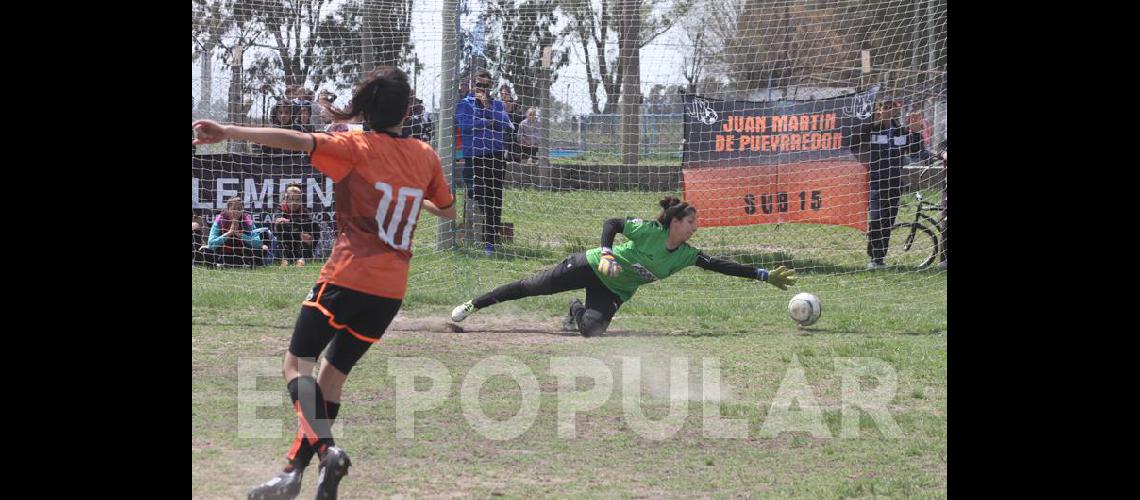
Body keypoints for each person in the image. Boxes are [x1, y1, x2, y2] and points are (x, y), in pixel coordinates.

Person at [193, 65, 457, 500]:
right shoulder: (426, 156)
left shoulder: (353, 145)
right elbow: (447, 210)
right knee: (332, 379)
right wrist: (415, 200)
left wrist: (227, 130)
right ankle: (292, 473)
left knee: (296, 364)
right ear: (407, 111)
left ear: (366, 107)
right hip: (390, 293)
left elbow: (294, 140)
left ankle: (329, 451)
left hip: (347, 277)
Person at [450, 196, 797, 337]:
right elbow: (612, 221)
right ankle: (472, 305)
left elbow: (721, 265)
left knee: (592, 331)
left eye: (695, 223)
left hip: (614, 288)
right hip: (591, 266)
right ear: (675, 221)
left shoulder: (686, 255)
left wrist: (762, 274)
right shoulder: (650, 231)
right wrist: (606, 252)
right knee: (531, 286)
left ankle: (576, 311)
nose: (695, 227)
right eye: (691, 221)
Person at [849, 100, 932, 269]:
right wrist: (873, 123)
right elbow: (854, 143)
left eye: (893, 107)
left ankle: (879, 259)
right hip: (875, 181)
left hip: (894, 182)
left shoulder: (900, 130)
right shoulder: (871, 129)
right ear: (878, 111)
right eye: (885, 107)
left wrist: (915, 131)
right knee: (877, 218)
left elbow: (915, 149)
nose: (890, 110)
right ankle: (874, 256)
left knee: (888, 220)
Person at [456, 69, 514, 255]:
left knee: (495, 200)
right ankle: (482, 232)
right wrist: (487, 123)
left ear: (490, 87)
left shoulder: (496, 105)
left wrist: (487, 109)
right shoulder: (465, 104)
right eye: (478, 85)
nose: (481, 89)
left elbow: (505, 125)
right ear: (473, 85)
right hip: (475, 157)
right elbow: (464, 125)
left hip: (495, 156)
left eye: (485, 86)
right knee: (477, 192)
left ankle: (491, 241)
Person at [273, 183, 319, 267]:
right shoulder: (280, 209)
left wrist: (289, 221)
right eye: (291, 199)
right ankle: (284, 259)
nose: (294, 202)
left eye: (297, 200)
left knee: (313, 229)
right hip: (287, 243)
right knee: (281, 228)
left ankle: (303, 259)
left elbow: (311, 223)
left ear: (301, 201)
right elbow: (278, 225)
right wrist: (298, 233)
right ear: (286, 200)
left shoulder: (303, 210)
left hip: (300, 244)